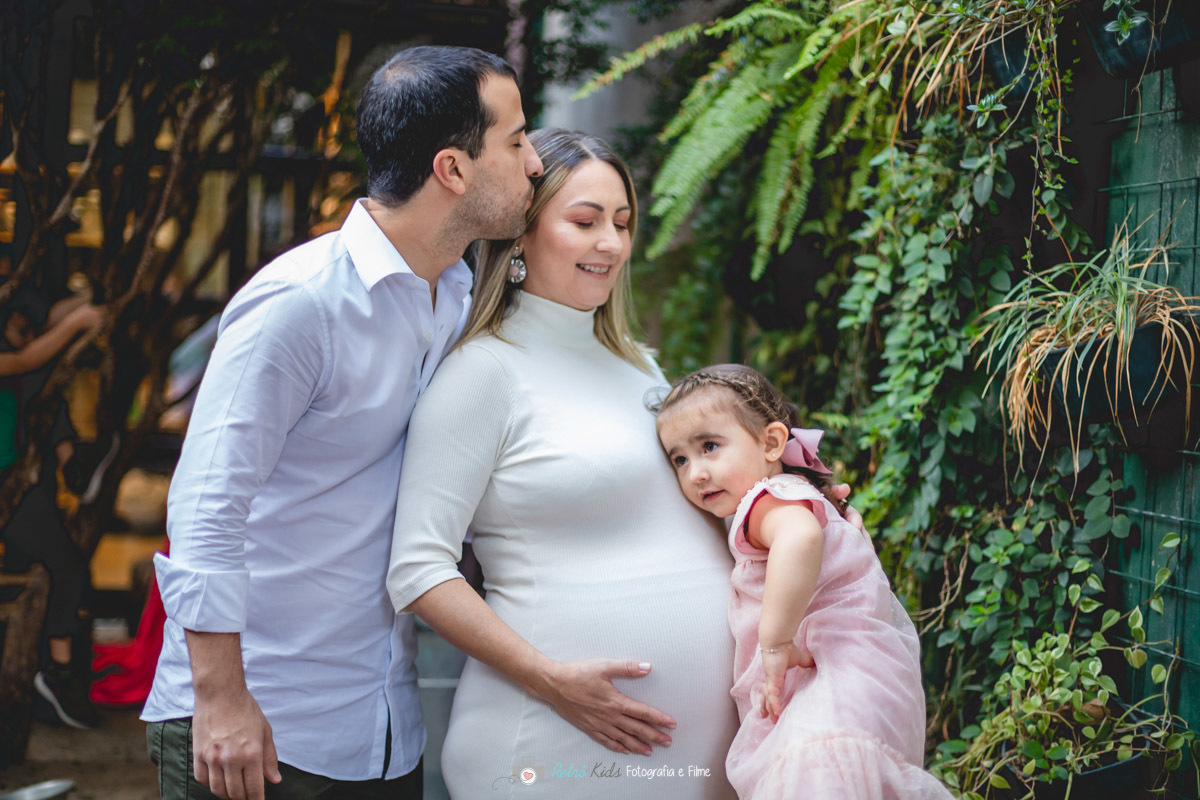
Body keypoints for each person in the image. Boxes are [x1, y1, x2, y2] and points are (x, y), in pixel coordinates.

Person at [141, 46, 543, 800]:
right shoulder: (302, 304)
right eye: (516, 141)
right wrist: (222, 698)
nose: (534, 163)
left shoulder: (459, 298)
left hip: (383, 728)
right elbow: (205, 508)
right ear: (452, 169)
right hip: (262, 724)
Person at [387, 128, 746, 799]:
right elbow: (417, 570)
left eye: (621, 222)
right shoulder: (482, 374)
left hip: (676, 763)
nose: (609, 243)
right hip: (551, 744)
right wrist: (552, 681)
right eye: (583, 222)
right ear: (521, 236)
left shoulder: (637, 363)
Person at [654, 364, 953, 799]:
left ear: (772, 442)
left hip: (831, 673)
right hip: (859, 670)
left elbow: (800, 537)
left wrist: (775, 643)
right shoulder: (793, 492)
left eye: (710, 446)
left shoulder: (768, 503)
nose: (696, 471)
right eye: (680, 459)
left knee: (815, 774)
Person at [0, 284, 104, 730]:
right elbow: (26, 358)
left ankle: (73, 464)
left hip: (23, 481)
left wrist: (91, 300)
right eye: (20, 329)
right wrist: (78, 324)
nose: (27, 337)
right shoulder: (14, 362)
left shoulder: (26, 371)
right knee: (68, 568)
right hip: (7, 492)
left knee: (64, 569)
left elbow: (47, 324)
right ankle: (57, 672)